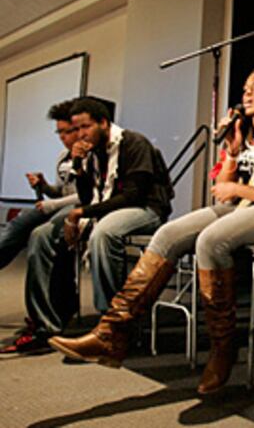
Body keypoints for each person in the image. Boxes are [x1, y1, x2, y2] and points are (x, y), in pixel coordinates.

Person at [49, 67, 254, 395]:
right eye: (244, 88)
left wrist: (238, 190)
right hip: (240, 208)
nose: (246, 93)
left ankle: (222, 350)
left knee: (211, 240)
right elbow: (222, 187)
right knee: (168, 235)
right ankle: (112, 333)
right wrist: (231, 152)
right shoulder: (246, 135)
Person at [9, 97, 173, 352]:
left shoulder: (132, 142)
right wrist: (78, 166)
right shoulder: (93, 152)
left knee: (104, 233)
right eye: (76, 129)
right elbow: (88, 196)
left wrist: (79, 214)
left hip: (145, 209)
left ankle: (112, 325)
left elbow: (133, 195)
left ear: (104, 123)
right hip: (109, 207)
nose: (79, 135)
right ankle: (45, 325)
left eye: (85, 127)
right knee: (40, 235)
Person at [0, 99, 79, 272]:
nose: (63, 137)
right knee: (18, 224)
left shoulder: (92, 156)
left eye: (67, 131)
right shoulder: (63, 156)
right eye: (59, 132)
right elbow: (60, 193)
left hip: (80, 207)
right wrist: (44, 186)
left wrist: (51, 205)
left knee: (42, 233)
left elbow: (91, 194)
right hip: (61, 206)